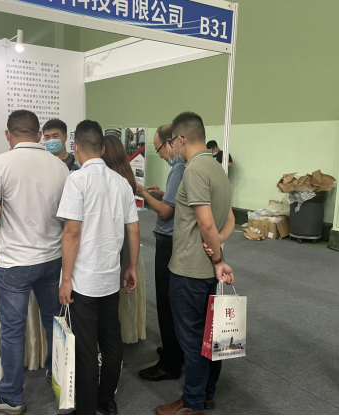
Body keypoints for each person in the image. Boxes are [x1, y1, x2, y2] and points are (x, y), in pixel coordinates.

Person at [0, 110, 69, 415]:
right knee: (54, 323)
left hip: (15, 262)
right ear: (40, 134)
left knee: (13, 330)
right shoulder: (59, 166)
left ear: (8, 135)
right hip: (52, 258)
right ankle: (58, 378)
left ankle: (11, 396)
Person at [57, 120, 140, 415]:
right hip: (109, 277)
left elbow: (72, 233)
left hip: (83, 280)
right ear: (103, 149)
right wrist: (132, 266)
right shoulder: (122, 183)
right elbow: (133, 230)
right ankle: (106, 400)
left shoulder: (76, 180)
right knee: (111, 342)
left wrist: (66, 279)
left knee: (86, 347)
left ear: (75, 147)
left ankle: (87, 408)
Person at [156, 112, 236, 416]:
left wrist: (216, 257)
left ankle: (191, 404)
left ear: (180, 139)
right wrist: (219, 245)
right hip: (207, 271)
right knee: (211, 338)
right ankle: (206, 395)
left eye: (171, 143)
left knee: (193, 341)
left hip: (190, 270)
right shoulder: (218, 168)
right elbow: (229, 219)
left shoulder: (194, 170)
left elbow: (206, 223)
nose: (172, 149)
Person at [133, 124, 186, 381]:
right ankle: (175, 350)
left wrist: (143, 193)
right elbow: (175, 202)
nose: (162, 155)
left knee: (165, 303)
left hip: (169, 242)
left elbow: (166, 212)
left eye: (160, 149)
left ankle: (170, 363)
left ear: (172, 142)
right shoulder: (186, 167)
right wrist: (164, 195)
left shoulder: (180, 168)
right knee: (173, 301)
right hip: (178, 241)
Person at [102, 135, 146, 345]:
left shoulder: (107, 182)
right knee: (123, 298)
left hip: (111, 247)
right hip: (129, 247)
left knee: (107, 301)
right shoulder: (127, 179)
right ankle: (123, 337)